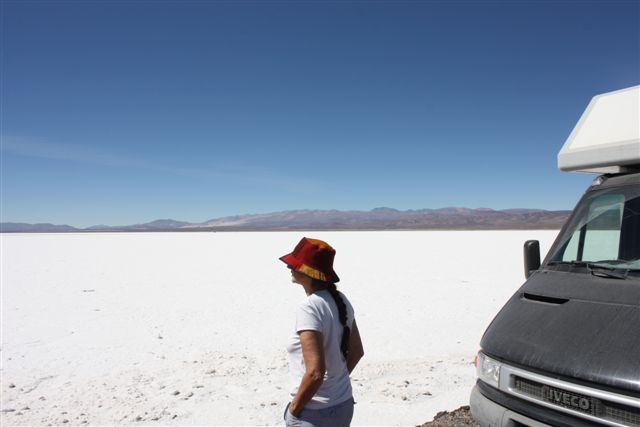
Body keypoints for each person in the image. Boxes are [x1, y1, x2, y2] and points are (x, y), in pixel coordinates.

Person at [279, 237, 364, 427]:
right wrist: (335, 383)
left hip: (314, 413)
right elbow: (357, 352)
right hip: (343, 405)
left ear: (309, 272)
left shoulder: (309, 308)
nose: (289, 267)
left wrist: (293, 410)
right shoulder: (341, 300)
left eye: (295, 264)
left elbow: (315, 373)